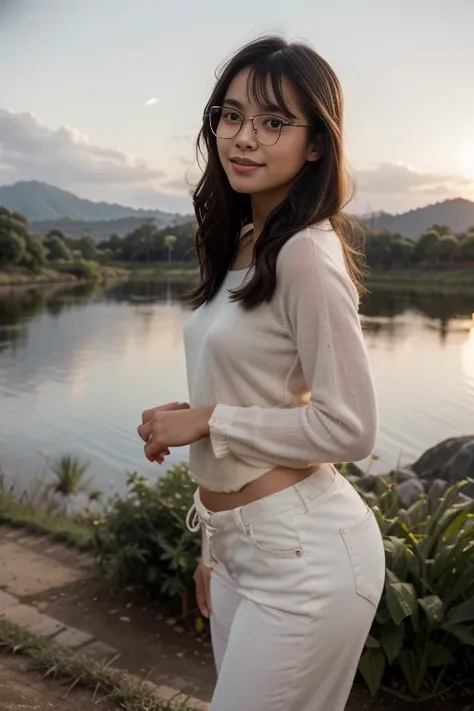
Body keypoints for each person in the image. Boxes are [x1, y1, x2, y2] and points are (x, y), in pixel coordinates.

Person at [137, 35, 386, 711]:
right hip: (244, 551)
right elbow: (253, 389)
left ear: (315, 145)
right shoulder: (245, 241)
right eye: (231, 115)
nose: (243, 138)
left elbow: (351, 425)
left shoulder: (308, 251)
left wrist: (209, 418)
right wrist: (215, 547)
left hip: (307, 558)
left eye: (274, 122)